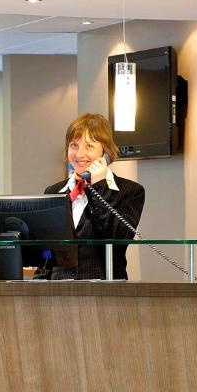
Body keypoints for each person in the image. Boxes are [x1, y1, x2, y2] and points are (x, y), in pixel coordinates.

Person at [44, 113, 145, 280]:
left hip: (102, 289)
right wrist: (40, 279)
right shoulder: (54, 191)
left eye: (89, 146)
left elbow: (116, 237)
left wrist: (99, 186)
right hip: (58, 290)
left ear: (105, 152)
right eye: (74, 145)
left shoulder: (130, 191)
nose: (79, 154)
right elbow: (46, 250)